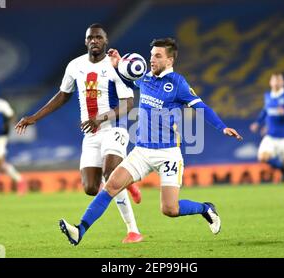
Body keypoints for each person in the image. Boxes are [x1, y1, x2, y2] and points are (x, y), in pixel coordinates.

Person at [57, 37, 243, 246]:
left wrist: (222, 127)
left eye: (157, 56)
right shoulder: (145, 78)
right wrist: (118, 62)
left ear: (170, 60)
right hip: (142, 151)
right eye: (151, 55)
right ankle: (80, 230)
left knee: (169, 209)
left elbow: (201, 107)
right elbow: (126, 74)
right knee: (111, 187)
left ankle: (205, 208)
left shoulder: (178, 84)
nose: (151, 60)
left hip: (168, 154)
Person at [15, 23, 143, 244]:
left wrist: (101, 118)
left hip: (114, 128)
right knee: (91, 188)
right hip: (91, 134)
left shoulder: (116, 66)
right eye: (90, 37)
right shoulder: (75, 66)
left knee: (110, 176)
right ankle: (127, 180)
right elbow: (63, 95)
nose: (94, 41)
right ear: (85, 41)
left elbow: (129, 103)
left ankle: (133, 231)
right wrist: (34, 117)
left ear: (106, 41)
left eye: (99, 37)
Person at [249, 73, 284, 198]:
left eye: (279, 80)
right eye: (274, 80)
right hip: (271, 136)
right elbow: (265, 111)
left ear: (283, 82)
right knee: (262, 157)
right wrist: (258, 122)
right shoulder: (267, 96)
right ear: (270, 82)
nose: (276, 82)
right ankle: (282, 168)